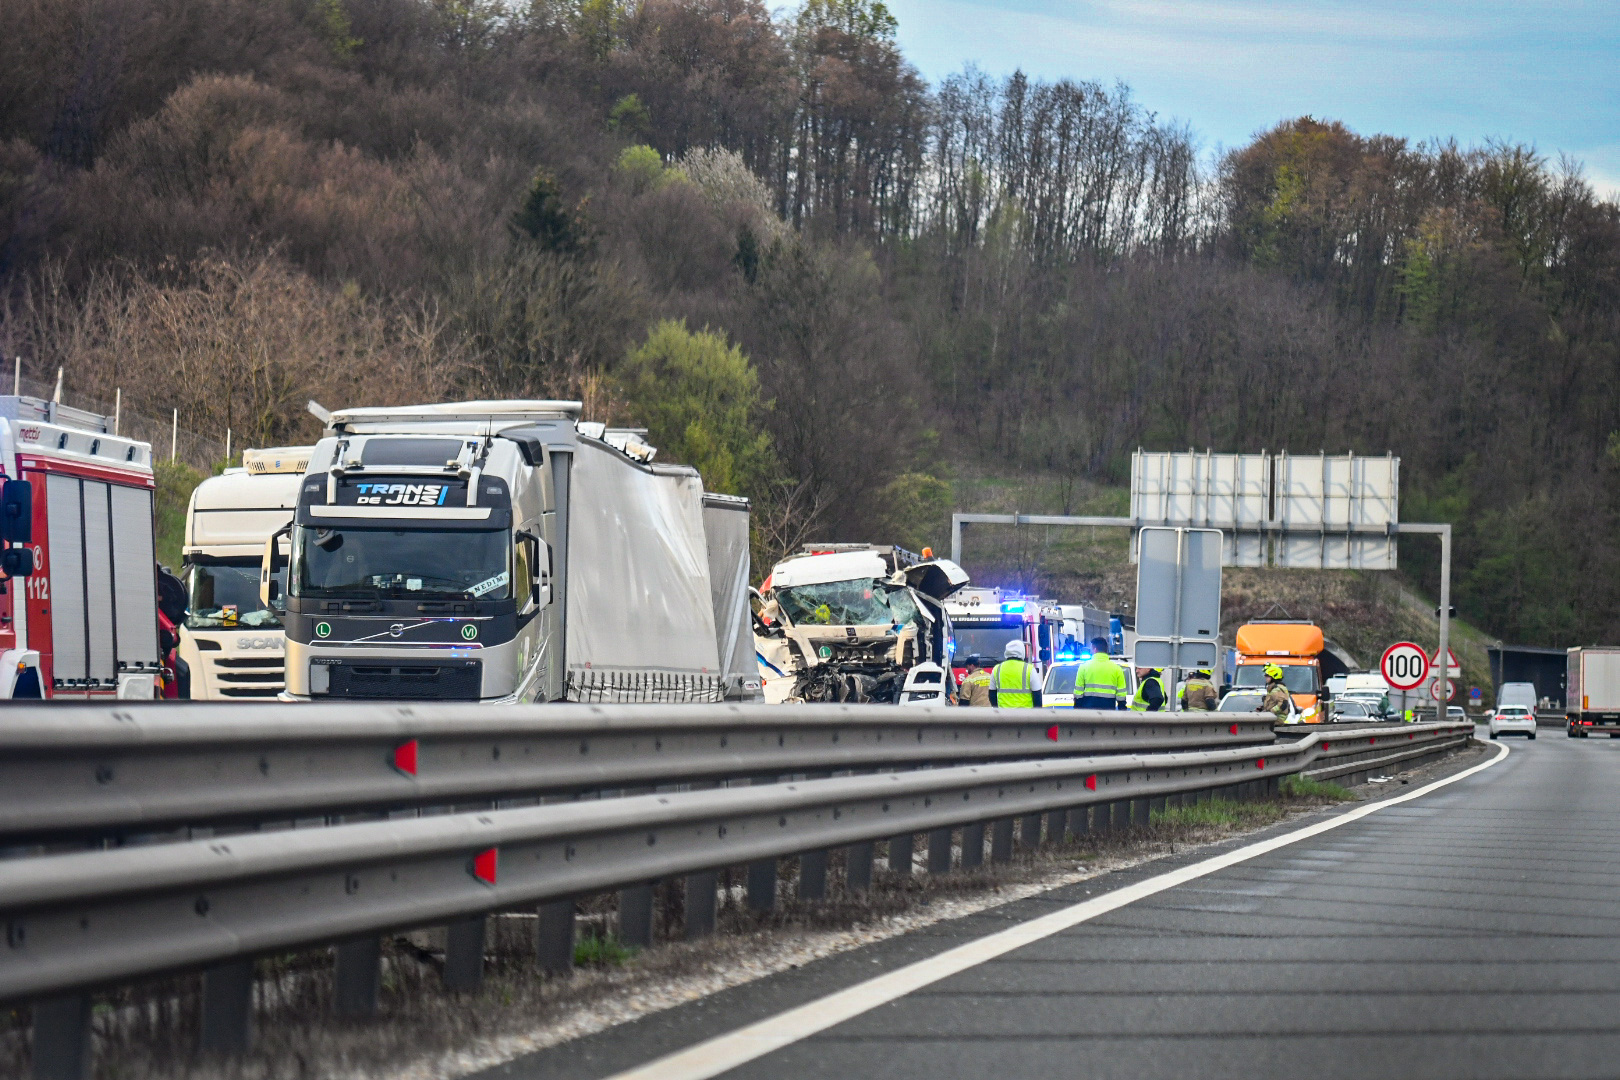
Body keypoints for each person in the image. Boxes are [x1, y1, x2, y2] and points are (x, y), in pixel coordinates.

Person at [1076, 637, 1128, 709]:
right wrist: (1122, 710)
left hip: (1088, 713)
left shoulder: (1084, 667)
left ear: (1095, 649)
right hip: (1109, 712)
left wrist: (1077, 709)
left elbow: (1078, 693)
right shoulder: (1117, 669)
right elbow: (1121, 694)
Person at [989, 639, 1043, 708]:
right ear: (1022, 652)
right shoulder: (1029, 669)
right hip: (1026, 715)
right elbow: (1037, 695)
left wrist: (998, 710)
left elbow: (992, 695)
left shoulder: (997, 669)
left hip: (1004, 715)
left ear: (1006, 652)